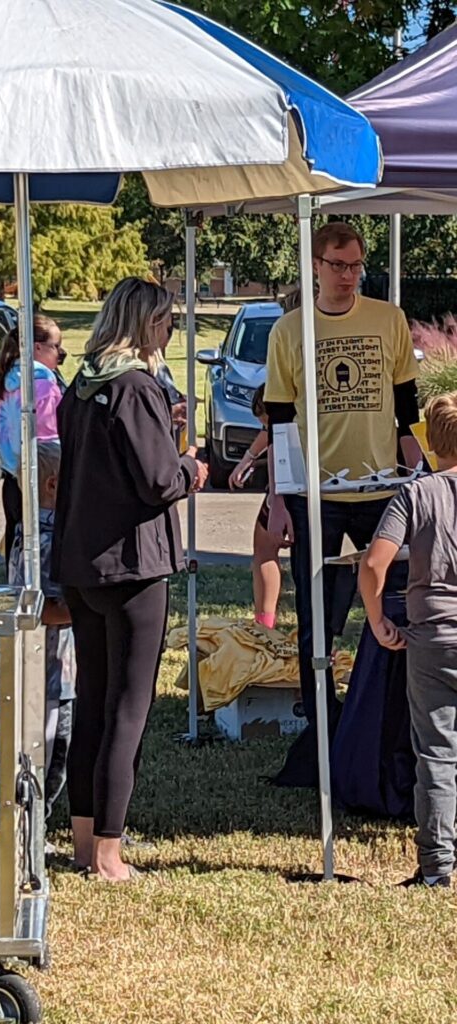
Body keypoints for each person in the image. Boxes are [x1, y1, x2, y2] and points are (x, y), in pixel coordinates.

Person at [52, 277, 207, 882]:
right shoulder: (136, 386)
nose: (171, 330)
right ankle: (111, 855)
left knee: (92, 701)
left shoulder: (82, 387)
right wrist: (188, 466)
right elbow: (157, 482)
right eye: (167, 321)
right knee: (128, 707)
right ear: (146, 324)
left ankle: (85, 842)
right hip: (135, 564)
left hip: (84, 562)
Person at [264, 222, 422, 784]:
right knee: (318, 620)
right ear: (314, 265)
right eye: (339, 265)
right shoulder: (288, 331)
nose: (350, 276)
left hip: (384, 490)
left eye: (357, 266)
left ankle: (390, 724)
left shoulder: (388, 320)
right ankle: (322, 732)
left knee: (397, 606)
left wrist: (419, 478)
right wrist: (279, 501)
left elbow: (407, 409)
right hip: (317, 495)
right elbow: (280, 419)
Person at [358, 393, 457, 888]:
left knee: (437, 752)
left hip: (433, 635)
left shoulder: (416, 495)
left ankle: (438, 866)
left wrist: (378, 621)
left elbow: (373, 564)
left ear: (430, 442)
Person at [8, 439, 75, 827]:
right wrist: (82, 610)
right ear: (51, 486)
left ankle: (39, 822)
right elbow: (43, 609)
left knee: (57, 752)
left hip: (56, 672)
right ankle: (33, 827)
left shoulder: (27, 533)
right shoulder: (46, 542)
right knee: (49, 753)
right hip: (48, 672)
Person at [0, 315, 65, 564]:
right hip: (39, 482)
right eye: (56, 347)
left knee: (17, 552)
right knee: (41, 558)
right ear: (37, 348)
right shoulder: (41, 385)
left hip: (12, 480)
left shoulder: (7, 384)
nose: (60, 354)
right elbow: (48, 440)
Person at [229, 385, 286, 629]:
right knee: (263, 546)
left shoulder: (282, 404)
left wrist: (276, 497)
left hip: (291, 484)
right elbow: (268, 434)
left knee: (264, 547)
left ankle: (265, 622)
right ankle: (264, 622)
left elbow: (274, 439)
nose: (266, 429)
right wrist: (247, 459)